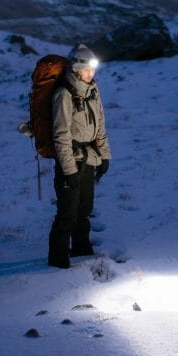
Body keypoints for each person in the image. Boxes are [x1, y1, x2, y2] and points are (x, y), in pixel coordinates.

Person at [48, 44, 112, 269]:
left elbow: (100, 125)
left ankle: (82, 250)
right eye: (87, 69)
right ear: (76, 69)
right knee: (67, 212)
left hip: (89, 158)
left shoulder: (93, 90)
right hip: (71, 160)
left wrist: (104, 156)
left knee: (84, 210)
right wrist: (69, 170)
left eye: (93, 69)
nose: (91, 73)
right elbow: (61, 134)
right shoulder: (63, 94)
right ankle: (58, 261)